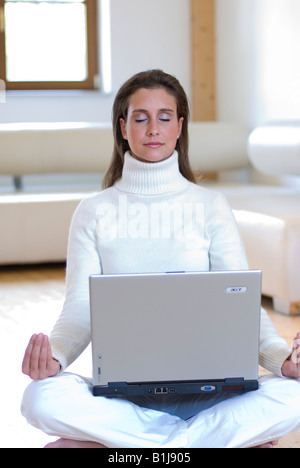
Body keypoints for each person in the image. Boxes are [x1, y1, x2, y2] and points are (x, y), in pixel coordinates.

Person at [21, 70, 300, 449]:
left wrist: (283, 360)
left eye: (164, 117)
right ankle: (199, 443)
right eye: (140, 118)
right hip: (126, 399)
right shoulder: (94, 212)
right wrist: (54, 357)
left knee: (294, 394)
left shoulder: (211, 207)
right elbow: (80, 309)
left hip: (212, 395)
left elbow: (244, 305)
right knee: (39, 399)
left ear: (180, 127)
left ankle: (141, 446)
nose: (153, 128)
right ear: (123, 128)